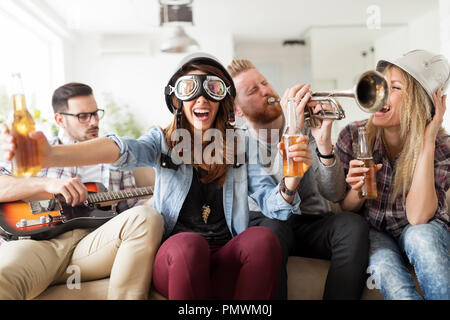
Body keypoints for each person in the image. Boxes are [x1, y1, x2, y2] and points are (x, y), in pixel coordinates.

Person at [1, 53, 308, 300]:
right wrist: (51, 156)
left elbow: (273, 204)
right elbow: (121, 149)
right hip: (177, 256)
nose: (201, 98)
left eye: (211, 89)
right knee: (189, 245)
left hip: (226, 250)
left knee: (264, 239)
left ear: (223, 99)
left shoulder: (243, 145)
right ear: (177, 99)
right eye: (190, 89)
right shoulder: (162, 141)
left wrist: (291, 180)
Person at [0, 82, 164, 300]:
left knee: (147, 217)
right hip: (40, 243)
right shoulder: (35, 151)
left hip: (95, 243)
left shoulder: (114, 157)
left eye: (95, 114)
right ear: (60, 120)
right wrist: (46, 184)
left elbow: (130, 210)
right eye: (83, 116)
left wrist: (160, 196)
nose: (94, 122)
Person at [227, 59, 370, 300]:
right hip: (268, 223)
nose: (266, 91)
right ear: (237, 110)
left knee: (352, 225)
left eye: (264, 82)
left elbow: (334, 194)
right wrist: (292, 132)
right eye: (253, 90)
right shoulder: (238, 143)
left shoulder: (305, 127)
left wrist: (324, 143)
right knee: (272, 231)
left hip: (310, 222)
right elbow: (276, 203)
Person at [336, 49, 450, 300]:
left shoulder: (442, 147)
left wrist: (428, 140)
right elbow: (345, 209)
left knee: (421, 238)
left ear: (421, 101)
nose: (381, 92)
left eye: (395, 87)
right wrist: (358, 189)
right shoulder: (352, 137)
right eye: (381, 83)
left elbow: (418, 217)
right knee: (385, 270)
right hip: (375, 231)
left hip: (422, 229)